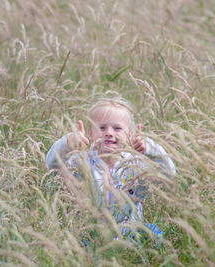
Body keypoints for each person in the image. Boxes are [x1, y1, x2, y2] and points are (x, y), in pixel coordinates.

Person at [46, 97, 175, 238]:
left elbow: (168, 173)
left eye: (117, 128)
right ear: (90, 133)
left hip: (130, 233)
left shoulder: (136, 164)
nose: (109, 132)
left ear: (130, 135)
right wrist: (67, 143)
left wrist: (151, 147)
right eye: (101, 128)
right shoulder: (81, 161)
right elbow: (52, 164)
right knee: (68, 238)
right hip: (90, 233)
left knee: (153, 232)